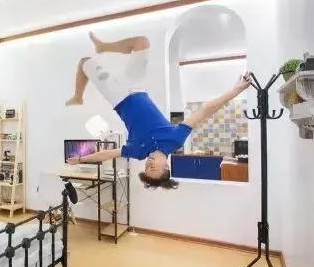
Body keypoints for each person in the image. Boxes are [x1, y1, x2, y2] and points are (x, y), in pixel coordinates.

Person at [64, 32, 252, 189]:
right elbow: (203, 112)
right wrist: (235, 91)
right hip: (137, 88)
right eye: (153, 168)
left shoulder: (137, 151)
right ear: (166, 167)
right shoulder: (175, 139)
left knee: (84, 62)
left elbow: (107, 154)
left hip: (118, 97)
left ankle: (78, 96)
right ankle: (103, 47)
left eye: (146, 168)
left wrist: (81, 159)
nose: (148, 164)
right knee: (142, 42)